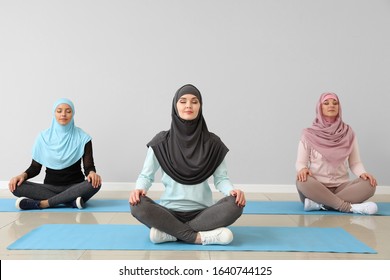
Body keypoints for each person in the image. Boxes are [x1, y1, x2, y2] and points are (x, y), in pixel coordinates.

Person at [129, 84, 245, 245]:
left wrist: (232, 191)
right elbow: (145, 176)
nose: (188, 105)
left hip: (203, 213)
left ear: (200, 106)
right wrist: (139, 189)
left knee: (235, 204)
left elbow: (221, 179)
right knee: (137, 205)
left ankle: (170, 233)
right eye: (183, 101)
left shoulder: (213, 143)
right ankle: (199, 237)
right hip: (168, 213)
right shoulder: (161, 142)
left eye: (194, 101)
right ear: (175, 106)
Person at [8, 98, 102, 210]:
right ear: (54, 113)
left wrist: (92, 173)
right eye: (59, 111)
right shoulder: (43, 137)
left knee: (95, 183)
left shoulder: (83, 137)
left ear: (73, 114)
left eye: (68, 111)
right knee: (16, 187)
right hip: (49, 187)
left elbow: (88, 166)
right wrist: (21, 176)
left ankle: (43, 203)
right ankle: (71, 201)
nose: (63, 114)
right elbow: (35, 168)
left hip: (75, 186)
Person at [295, 92, 378, 214]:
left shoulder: (348, 132)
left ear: (339, 107)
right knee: (302, 181)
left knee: (370, 185)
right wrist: (302, 169)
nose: (331, 105)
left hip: (342, 187)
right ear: (320, 107)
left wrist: (363, 173)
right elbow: (300, 162)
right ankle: (349, 207)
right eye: (326, 103)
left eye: (335, 103)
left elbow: (355, 162)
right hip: (316, 188)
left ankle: (320, 205)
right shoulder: (308, 134)